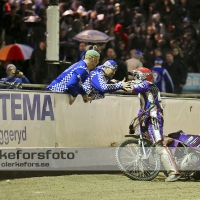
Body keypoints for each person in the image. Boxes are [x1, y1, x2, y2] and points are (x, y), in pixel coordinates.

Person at [129, 67, 181, 182]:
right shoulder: (143, 89)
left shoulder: (147, 84)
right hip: (147, 117)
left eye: (136, 75)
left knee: (158, 144)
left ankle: (174, 172)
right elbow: (143, 108)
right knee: (144, 143)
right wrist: (137, 119)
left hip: (154, 117)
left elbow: (132, 89)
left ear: (143, 76)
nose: (134, 78)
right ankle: (145, 171)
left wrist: (118, 85)